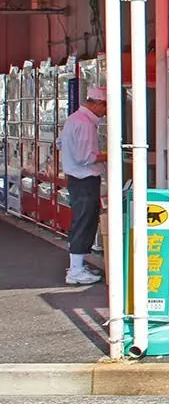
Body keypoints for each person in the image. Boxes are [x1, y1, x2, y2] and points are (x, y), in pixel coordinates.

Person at [58, 86, 108, 285]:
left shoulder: (74, 119)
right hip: (84, 179)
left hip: (76, 180)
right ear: (98, 104)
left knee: (82, 220)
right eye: (106, 108)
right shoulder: (85, 124)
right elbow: (85, 157)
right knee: (84, 221)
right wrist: (110, 154)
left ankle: (77, 265)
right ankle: (76, 271)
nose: (106, 113)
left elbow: (61, 143)